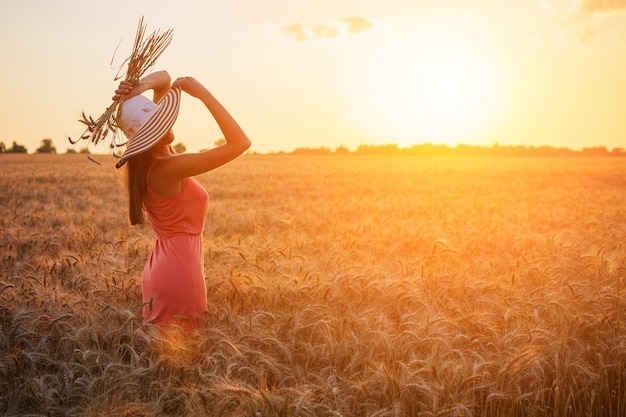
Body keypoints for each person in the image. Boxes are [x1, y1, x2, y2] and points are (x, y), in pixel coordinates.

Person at [111, 70, 251, 329]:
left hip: (164, 267)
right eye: (157, 126)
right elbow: (240, 143)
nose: (166, 125)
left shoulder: (157, 160)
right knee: (185, 352)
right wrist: (203, 95)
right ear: (146, 139)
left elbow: (164, 78)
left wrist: (139, 87)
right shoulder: (167, 168)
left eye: (162, 117)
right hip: (180, 272)